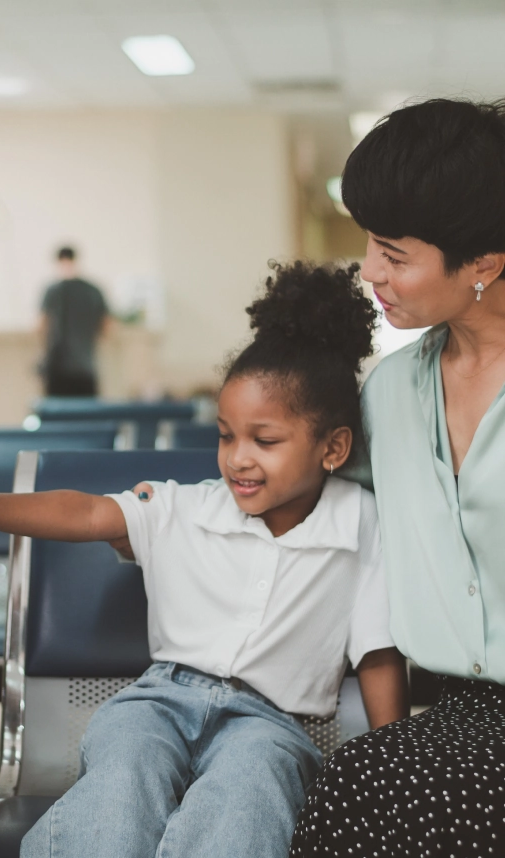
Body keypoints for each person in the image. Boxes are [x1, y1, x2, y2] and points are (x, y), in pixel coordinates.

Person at [0, 262, 409, 858]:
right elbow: (89, 514)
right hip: (160, 699)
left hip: (271, 722)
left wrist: (392, 765)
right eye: (225, 436)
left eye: (264, 440)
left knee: (251, 791)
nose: (238, 459)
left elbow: (377, 652)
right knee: (123, 777)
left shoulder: (362, 523)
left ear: (333, 447)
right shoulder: (187, 507)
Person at [290, 98, 505, 857]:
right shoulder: (388, 393)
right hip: (460, 714)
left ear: (484, 263)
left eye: (394, 252)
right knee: (363, 783)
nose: (371, 273)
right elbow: (331, 514)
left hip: (460, 751)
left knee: (379, 787)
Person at [39, 246, 109, 396]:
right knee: (86, 415)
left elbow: (42, 325)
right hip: (85, 367)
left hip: (57, 368)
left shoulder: (53, 291)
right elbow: (106, 326)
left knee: (57, 415)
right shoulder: (93, 291)